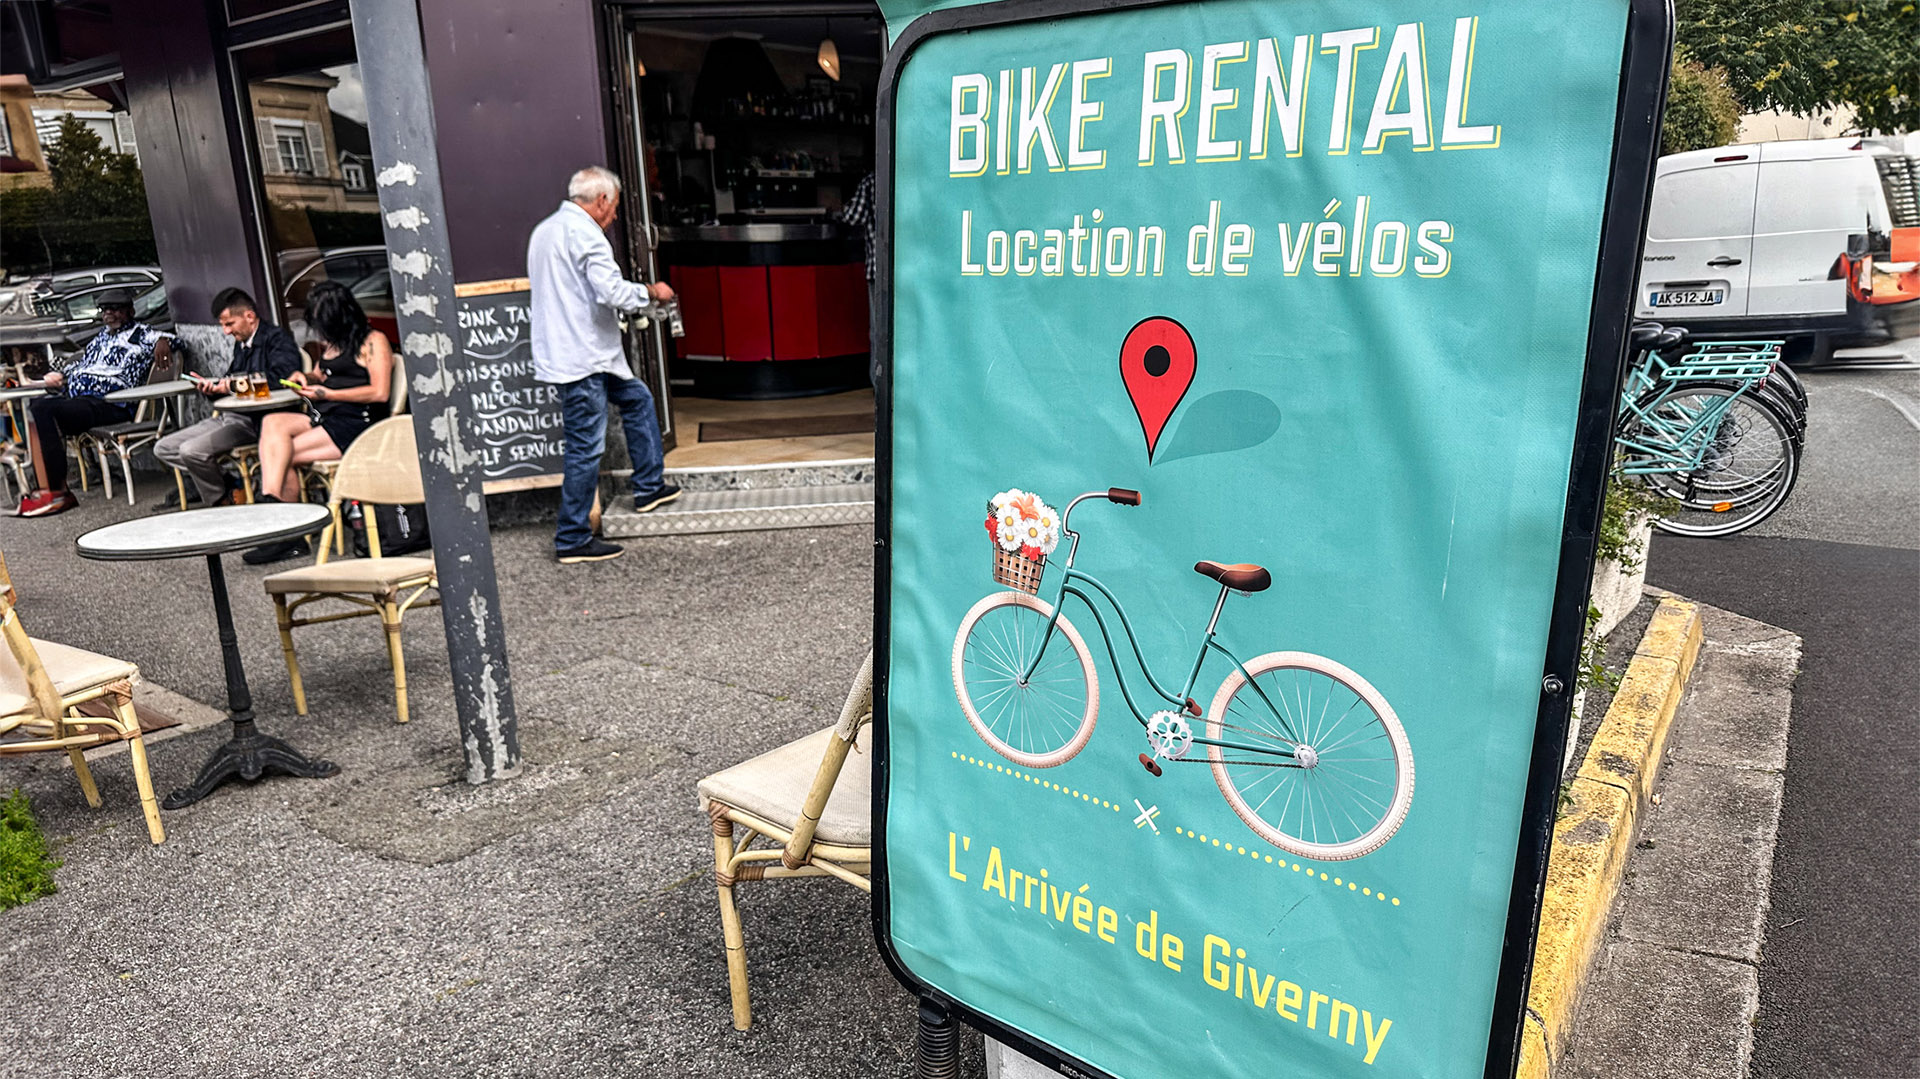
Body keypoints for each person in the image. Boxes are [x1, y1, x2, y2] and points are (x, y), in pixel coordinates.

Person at [528, 165, 680, 565]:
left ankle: (649, 486)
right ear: (601, 201)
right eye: (613, 208)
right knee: (585, 446)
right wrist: (653, 292)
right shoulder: (587, 236)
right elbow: (612, 292)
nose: (614, 217)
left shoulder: (544, 231)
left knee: (638, 400)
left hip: (575, 353)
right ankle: (573, 536)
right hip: (584, 358)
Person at [241, 280, 394, 565]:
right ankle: (276, 510)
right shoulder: (334, 342)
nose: (320, 332)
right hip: (328, 414)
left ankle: (282, 528)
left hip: (359, 422)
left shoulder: (374, 341)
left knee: (282, 454)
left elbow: (380, 391)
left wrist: (330, 393)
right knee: (273, 423)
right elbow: (321, 374)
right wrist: (305, 378)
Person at [15, 289, 172, 517]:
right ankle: (44, 483)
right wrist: (61, 376)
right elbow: (85, 364)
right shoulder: (102, 336)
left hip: (110, 405)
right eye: (105, 310)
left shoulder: (143, 333)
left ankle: (56, 491)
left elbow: (177, 341)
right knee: (31, 406)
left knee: (42, 410)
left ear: (130, 311)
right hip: (79, 400)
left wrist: (164, 340)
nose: (110, 314)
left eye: (115, 310)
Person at [154, 287, 303, 507]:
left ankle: (220, 501)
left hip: (259, 421)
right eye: (223, 325)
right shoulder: (241, 343)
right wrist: (212, 388)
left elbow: (281, 380)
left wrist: (231, 386)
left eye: (229, 324)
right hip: (231, 415)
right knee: (164, 448)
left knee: (191, 451)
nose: (225, 331)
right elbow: (230, 381)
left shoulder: (277, 339)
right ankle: (230, 486)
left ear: (249, 316)